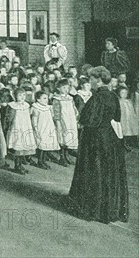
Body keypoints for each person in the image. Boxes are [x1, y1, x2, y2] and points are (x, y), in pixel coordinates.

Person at [69, 66, 128, 224]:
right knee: (107, 172)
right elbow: (116, 116)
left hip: (95, 138)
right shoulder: (113, 96)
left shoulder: (97, 97)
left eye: (92, 79)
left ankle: (93, 209)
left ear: (99, 79)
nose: (90, 81)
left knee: (95, 171)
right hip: (109, 137)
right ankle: (108, 209)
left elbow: (86, 119)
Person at [30, 91, 59, 169]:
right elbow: (34, 119)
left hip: (48, 128)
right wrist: (35, 128)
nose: (46, 100)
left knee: (47, 145)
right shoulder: (35, 107)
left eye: (47, 98)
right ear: (38, 99)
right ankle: (40, 161)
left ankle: (44, 161)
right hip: (41, 128)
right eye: (44, 98)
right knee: (41, 145)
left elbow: (51, 117)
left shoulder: (48, 107)